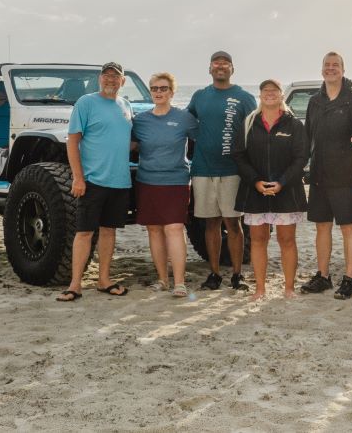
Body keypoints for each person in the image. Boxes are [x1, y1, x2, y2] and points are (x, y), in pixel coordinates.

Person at [57, 62, 133, 302]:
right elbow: (72, 141)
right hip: (92, 181)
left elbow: (125, 140)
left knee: (109, 231)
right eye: (106, 75)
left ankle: (104, 280)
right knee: (84, 232)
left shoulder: (126, 105)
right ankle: (75, 284)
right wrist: (78, 177)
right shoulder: (86, 102)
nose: (111, 79)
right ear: (100, 79)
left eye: (116, 76)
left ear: (123, 81)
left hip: (120, 181)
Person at [301, 52, 352, 300]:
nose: (330, 69)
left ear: (343, 69)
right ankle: (323, 276)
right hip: (319, 176)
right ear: (322, 70)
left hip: (344, 176)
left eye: (335, 65)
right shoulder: (314, 101)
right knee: (322, 227)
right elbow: (307, 137)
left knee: (348, 228)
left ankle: (350, 278)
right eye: (327, 65)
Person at [187, 51, 258, 292]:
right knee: (210, 224)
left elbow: (254, 131)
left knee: (234, 223)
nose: (221, 66)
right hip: (203, 169)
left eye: (225, 63)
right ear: (209, 68)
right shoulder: (199, 96)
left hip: (232, 170)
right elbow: (188, 122)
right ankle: (214, 273)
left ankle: (237, 275)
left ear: (232, 69)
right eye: (216, 62)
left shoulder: (244, 98)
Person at [232, 79, 308, 300]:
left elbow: (301, 157)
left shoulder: (293, 124)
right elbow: (239, 155)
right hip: (255, 190)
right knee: (258, 239)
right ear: (260, 94)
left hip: (286, 190)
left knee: (286, 240)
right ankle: (260, 289)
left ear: (282, 95)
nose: (270, 94)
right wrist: (256, 181)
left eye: (274, 90)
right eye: (266, 90)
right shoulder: (249, 122)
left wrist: (282, 182)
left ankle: (289, 289)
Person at [131, 72, 198, 296]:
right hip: (147, 181)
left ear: (172, 92)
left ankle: (179, 282)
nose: (159, 92)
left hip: (176, 181)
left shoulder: (184, 118)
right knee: (154, 230)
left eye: (163, 88)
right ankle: (162, 280)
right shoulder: (140, 120)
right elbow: (128, 146)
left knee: (174, 228)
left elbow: (205, 141)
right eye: (155, 89)